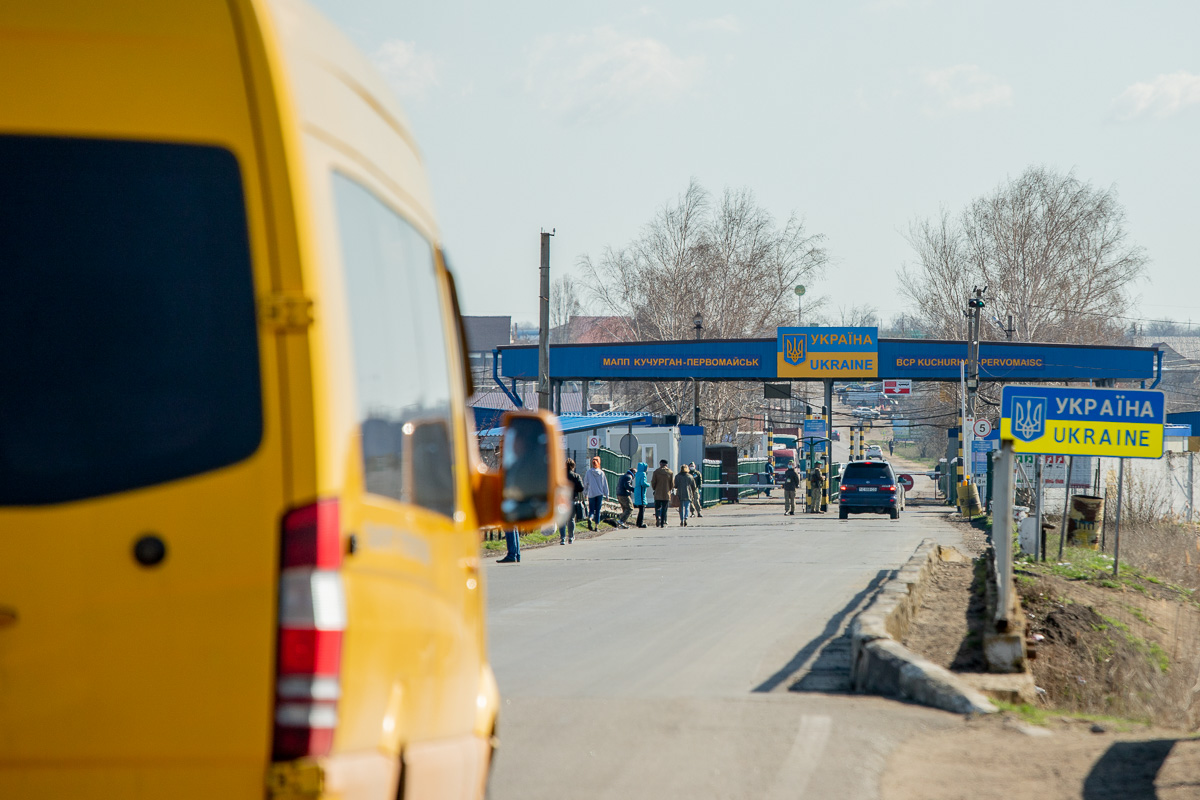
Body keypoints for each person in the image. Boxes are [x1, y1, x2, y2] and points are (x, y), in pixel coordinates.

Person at [558, 458, 585, 544]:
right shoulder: (576, 476)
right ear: (573, 466)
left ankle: (562, 538)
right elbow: (581, 488)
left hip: (562, 500)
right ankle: (571, 537)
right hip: (572, 499)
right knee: (571, 519)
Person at [583, 456, 608, 531]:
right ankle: (596, 527)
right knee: (598, 510)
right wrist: (607, 494)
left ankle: (590, 518)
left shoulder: (588, 472)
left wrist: (585, 493)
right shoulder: (602, 473)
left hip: (591, 494)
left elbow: (586, 483)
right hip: (599, 494)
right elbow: (605, 484)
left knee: (591, 510)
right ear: (599, 463)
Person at [651, 459, 674, 527]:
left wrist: (655, 488)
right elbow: (672, 484)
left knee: (657, 507)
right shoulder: (670, 472)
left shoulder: (656, 472)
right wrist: (669, 489)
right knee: (664, 508)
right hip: (666, 493)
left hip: (658, 493)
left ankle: (658, 516)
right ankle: (662, 523)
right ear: (666, 465)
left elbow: (653, 482)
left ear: (660, 464)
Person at [633, 461, 650, 527]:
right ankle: (640, 523)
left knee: (640, 509)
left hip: (637, 491)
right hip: (641, 492)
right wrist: (648, 484)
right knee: (642, 509)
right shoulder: (643, 474)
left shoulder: (637, 473)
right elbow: (643, 483)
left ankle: (638, 523)